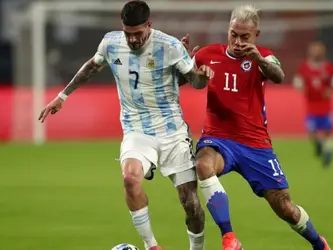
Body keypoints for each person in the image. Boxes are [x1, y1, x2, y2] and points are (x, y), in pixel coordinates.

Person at [38, 1, 214, 250]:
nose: (132, 40)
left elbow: (195, 82)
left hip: (173, 132)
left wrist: (202, 76)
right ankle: (151, 245)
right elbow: (92, 66)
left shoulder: (170, 46)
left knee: (191, 204)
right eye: (128, 34)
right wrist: (63, 96)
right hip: (136, 130)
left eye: (138, 34)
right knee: (130, 179)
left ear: (149, 26)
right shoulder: (111, 43)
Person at [181, 4, 331, 250]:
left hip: (255, 144)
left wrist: (258, 59)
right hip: (218, 139)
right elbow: (180, 80)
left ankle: (319, 243)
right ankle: (229, 237)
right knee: (203, 165)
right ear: (228, 29)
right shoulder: (208, 54)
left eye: (245, 37)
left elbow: (279, 75)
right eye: (233, 34)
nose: (238, 41)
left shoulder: (264, 56)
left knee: (285, 208)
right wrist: (183, 61)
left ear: (256, 35)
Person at [293, 41, 333, 167]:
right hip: (311, 107)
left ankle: (328, 153)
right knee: (311, 132)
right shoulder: (304, 67)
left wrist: (330, 90)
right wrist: (302, 87)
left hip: (326, 107)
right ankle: (319, 145)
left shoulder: (329, 67)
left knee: (328, 132)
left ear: (323, 51)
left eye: (318, 50)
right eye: (314, 50)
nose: (316, 52)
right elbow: (297, 83)